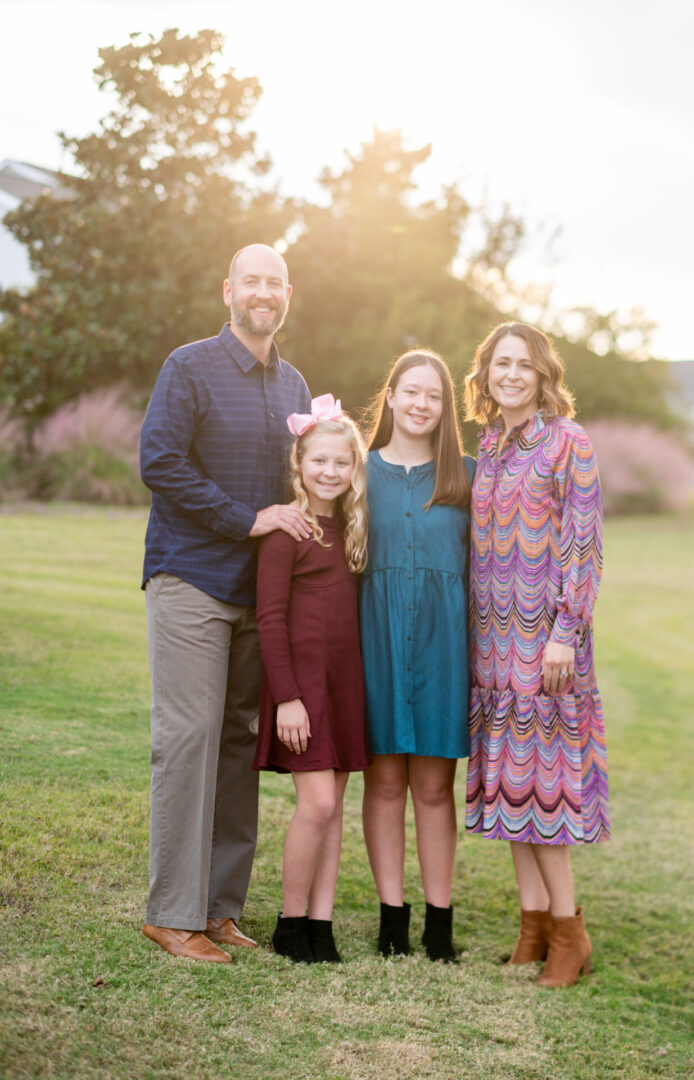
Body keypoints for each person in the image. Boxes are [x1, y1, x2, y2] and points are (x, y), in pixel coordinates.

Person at [140, 244, 312, 963]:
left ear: (287, 294)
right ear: (228, 291)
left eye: (275, 282)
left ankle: (218, 908)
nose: (263, 293)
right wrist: (248, 519)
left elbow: (304, 483)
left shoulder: (296, 385)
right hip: (191, 579)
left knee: (240, 746)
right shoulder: (189, 367)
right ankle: (171, 913)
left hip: (258, 597)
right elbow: (160, 462)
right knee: (190, 737)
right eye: (252, 281)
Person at [464, 322, 609, 988]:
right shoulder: (490, 445)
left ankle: (570, 938)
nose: (512, 374)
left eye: (524, 364)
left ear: (542, 373)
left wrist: (564, 632)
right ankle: (532, 928)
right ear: (486, 373)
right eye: (501, 363)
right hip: (493, 648)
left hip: (545, 646)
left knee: (544, 798)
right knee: (514, 799)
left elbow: (583, 545)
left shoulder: (566, 442)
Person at [360, 350, 474, 962]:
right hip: (373, 641)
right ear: (392, 396)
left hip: (441, 648)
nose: (422, 404)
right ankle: (391, 917)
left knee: (433, 787)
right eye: (412, 392)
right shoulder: (358, 470)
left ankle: (439, 921)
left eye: (434, 395)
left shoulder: (466, 477)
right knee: (382, 782)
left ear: (444, 407)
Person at [253, 396, 371, 963]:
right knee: (317, 804)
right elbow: (270, 620)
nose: (329, 472)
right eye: (318, 461)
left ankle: (321, 927)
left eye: (340, 463)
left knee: (335, 806)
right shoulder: (286, 531)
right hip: (301, 687)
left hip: (345, 682)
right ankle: (289, 920)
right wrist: (287, 699)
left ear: (354, 469)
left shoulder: (351, 527)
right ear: (299, 463)